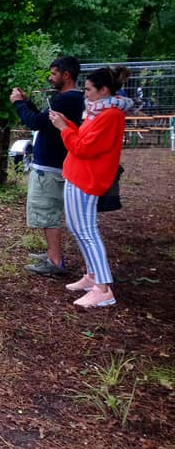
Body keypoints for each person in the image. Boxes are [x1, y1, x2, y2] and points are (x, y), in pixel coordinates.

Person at [48, 66, 134, 308]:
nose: (84, 94)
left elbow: (85, 148)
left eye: (88, 89)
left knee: (86, 230)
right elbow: (84, 141)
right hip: (79, 174)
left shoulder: (110, 116)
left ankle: (103, 288)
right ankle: (93, 276)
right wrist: (67, 124)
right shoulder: (99, 112)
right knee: (78, 228)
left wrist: (63, 129)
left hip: (89, 178)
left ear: (103, 90)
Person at [10, 56, 86, 276]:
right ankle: (53, 253)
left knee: (47, 213)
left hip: (51, 167)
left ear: (67, 75)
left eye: (54, 74)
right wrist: (27, 103)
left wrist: (18, 103)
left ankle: (55, 260)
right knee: (47, 213)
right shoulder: (69, 99)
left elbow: (34, 122)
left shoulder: (67, 99)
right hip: (54, 165)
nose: (51, 78)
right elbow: (43, 121)